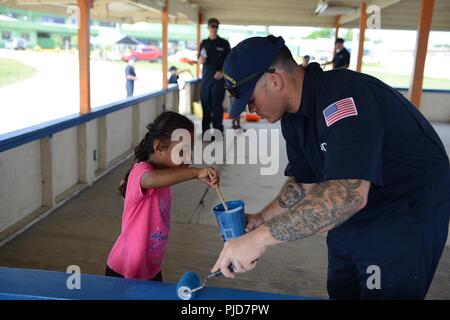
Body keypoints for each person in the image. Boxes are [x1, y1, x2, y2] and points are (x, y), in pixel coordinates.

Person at [213, 35, 450, 299]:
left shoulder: (346, 97)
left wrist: (258, 240)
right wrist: (261, 219)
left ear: (275, 80)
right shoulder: (292, 115)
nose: (251, 109)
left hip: (402, 211)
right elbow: (304, 182)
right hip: (354, 213)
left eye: (251, 99)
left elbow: (348, 195)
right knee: (342, 288)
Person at [106, 111, 220, 281]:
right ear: (159, 147)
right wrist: (195, 173)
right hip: (126, 268)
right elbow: (150, 180)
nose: (188, 158)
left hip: (150, 268)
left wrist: (196, 174)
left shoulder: (164, 173)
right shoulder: (142, 171)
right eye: (182, 152)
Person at [198, 17, 231, 135]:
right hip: (206, 81)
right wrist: (201, 59)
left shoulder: (224, 43)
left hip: (218, 82)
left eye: (216, 26)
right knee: (205, 107)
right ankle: (205, 132)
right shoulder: (204, 43)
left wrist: (222, 72)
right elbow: (199, 60)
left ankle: (218, 131)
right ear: (208, 28)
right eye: (212, 26)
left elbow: (229, 61)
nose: (214, 28)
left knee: (217, 107)